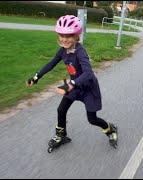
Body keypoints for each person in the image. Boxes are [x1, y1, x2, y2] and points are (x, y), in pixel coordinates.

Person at [27, 15, 118, 149]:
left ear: (77, 36)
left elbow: (88, 73)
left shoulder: (81, 52)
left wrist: (71, 84)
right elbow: (51, 64)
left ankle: (111, 129)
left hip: (88, 87)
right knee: (61, 110)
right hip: (74, 86)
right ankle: (61, 135)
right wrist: (36, 77)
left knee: (92, 119)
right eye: (61, 35)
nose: (64, 39)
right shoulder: (62, 50)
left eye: (69, 36)